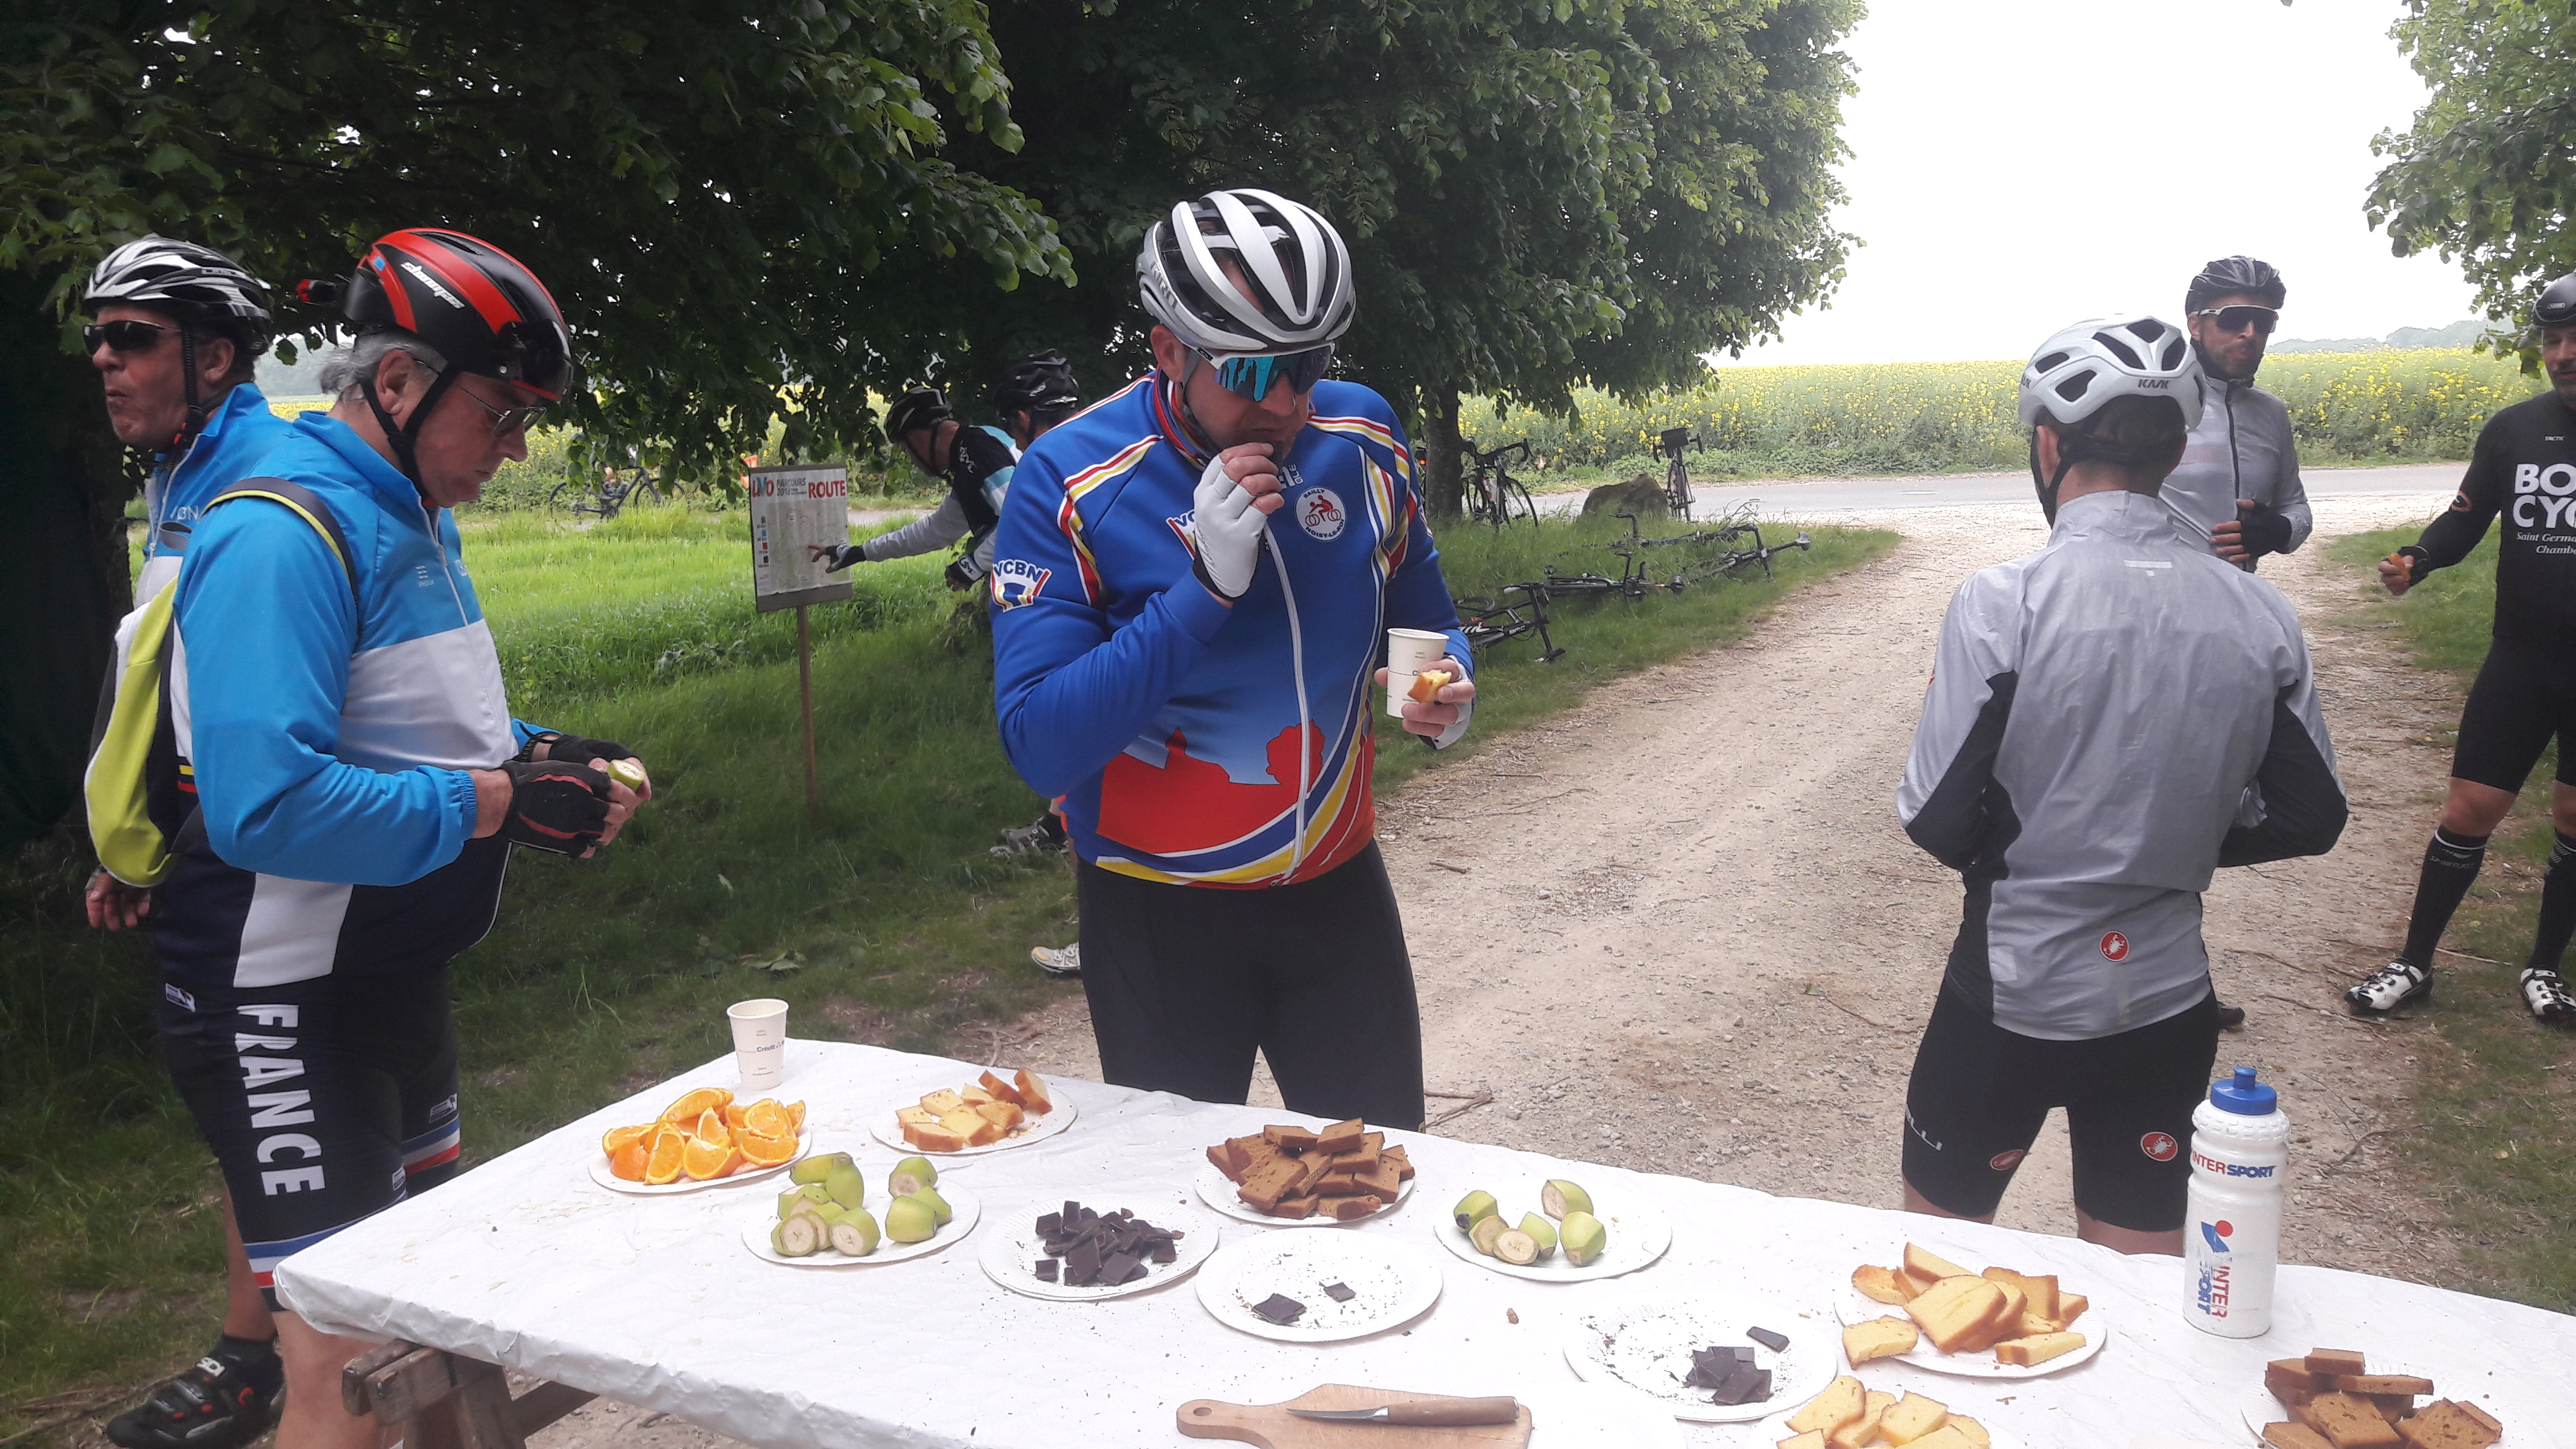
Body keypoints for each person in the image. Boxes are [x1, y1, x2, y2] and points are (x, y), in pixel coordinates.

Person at [154, 227, 650, 1449]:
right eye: (502, 411)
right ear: (395, 381)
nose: (517, 445)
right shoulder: (282, 532)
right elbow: (265, 804)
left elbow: (414, 722)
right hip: (275, 993)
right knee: (348, 1360)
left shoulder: (414, 514)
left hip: (383, 965)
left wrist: (541, 754)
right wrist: (498, 801)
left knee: (436, 1311)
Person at [988, 187, 1477, 1128]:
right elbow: (1041, 746)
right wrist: (1203, 592)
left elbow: (1426, 621)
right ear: (1170, 351)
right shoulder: (1072, 476)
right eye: (1252, 369)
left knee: (1379, 1178)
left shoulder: (1362, 436)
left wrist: (1445, 689)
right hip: (1157, 915)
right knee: (1173, 1201)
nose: (1286, 403)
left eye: (1309, 364)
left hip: (1337, 892)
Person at [1897, 315, 2346, 1253]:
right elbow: (2311, 815)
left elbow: (1936, 816)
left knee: (1943, 1280)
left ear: (2048, 446)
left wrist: (2048, 843)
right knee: (2142, 1302)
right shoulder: (2261, 611)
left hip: (2009, 993)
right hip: (2164, 1001)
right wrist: (2178, 831)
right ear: (2177, 452)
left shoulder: (2001, 601)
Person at [76, 237, 297, 1449]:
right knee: (244, 1116)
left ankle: (281, 1362)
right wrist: (141, 843)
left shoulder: (263, 480)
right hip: (207, 842)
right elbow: (171, 683)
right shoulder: (181, 474)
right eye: (97, 339)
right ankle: (257, 1352)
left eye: (132, 336)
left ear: (214, 357)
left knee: (265, 1109)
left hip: (269, 850)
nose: (105, 360)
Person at [2345, 270, 2576, 1027]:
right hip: (2523, 658)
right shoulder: (2515, 430)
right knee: (2469, 808)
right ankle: (2415, 963)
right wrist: (2419, 558)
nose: (2564, 354)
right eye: (2553, 339)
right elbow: (2467, 516)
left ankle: (2545, 970)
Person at [2166, 256, 2313, 1033]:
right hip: (2150, 631)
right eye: (2234, 319)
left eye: (2264, 322)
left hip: (2232, 637)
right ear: (2196, 322)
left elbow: (2299, 509)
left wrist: (2274, 531)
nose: (2250, 334)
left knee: (2208, 808)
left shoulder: (2270, 415)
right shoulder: (2156, 402)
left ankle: (2174, 977)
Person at [807, 383, 1020, 592]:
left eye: (906, 449)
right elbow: (933, 532)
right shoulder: (968, 455)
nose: (911, 460)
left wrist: (975, 564)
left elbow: (1022, 520)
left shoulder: (978, 449)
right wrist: (859, 553)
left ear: (917, 437)